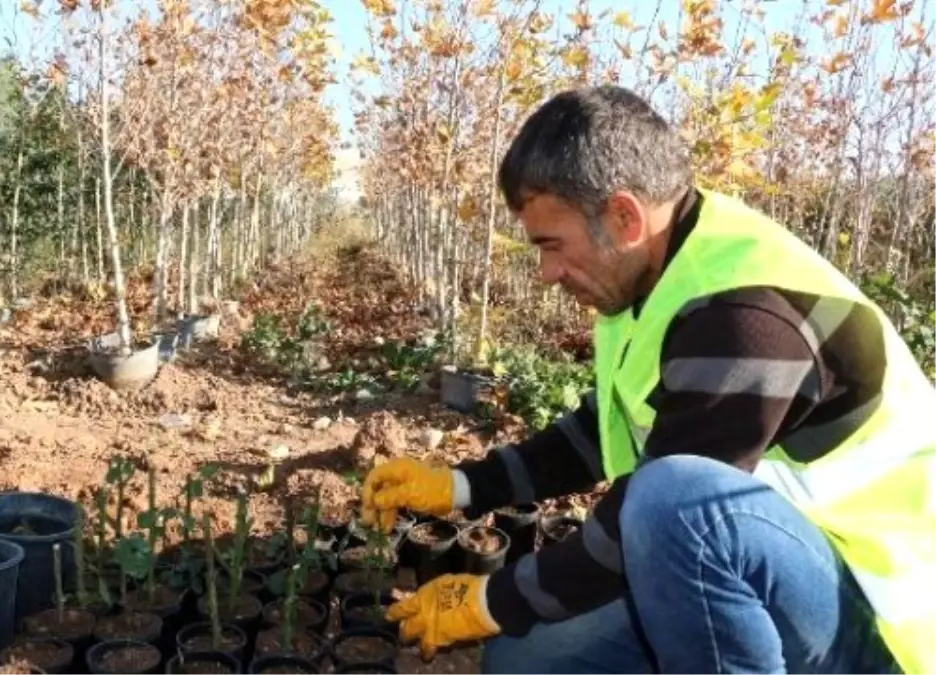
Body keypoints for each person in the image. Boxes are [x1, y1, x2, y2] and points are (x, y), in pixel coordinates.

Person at [360, 85, 936, 675]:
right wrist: (457, 486)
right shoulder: (657, 275)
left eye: (552, 245)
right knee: (524, 660)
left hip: (873, 617)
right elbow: (600, 433)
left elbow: (667, 509)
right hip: (756, 577)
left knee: (672, 501)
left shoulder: (748, 315)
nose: (546, 272)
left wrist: (487, 599)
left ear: (625, 217)